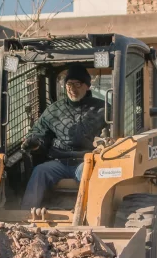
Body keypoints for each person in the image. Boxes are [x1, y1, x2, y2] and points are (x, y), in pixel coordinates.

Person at [20, 64, 108, 210]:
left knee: (89, 173)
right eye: (69, 84)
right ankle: (26, 214)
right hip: (60, 161)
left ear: (87, 86)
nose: (72, 88)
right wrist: (34, 142)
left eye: (77, 84)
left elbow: (113, 133)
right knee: (40, 171)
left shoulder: (102, 109)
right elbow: (40, 132)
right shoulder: (55, 110)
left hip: (86, 160)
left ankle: (89, 211)